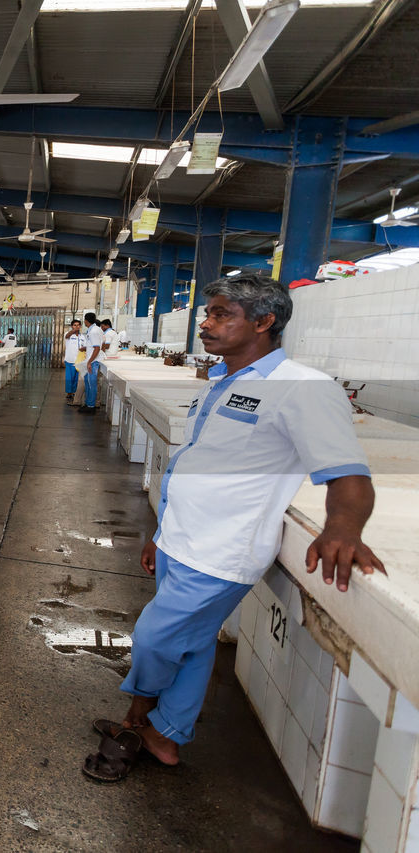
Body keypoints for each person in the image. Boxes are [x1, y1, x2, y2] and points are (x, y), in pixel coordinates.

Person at [84, 273, 383, 780]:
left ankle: (138, 716)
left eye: (222, 314)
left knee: (155, 639)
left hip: (222, 553)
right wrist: (161, 532)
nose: (206, 324)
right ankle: (166, 739)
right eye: (209, 313)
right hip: (182, 540)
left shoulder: (302, 389)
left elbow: (348, 474)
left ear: (264, 322)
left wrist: (344, 529)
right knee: (194, 644)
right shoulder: (223, 381)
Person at [79, 312, 104, 413]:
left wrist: (89, 362)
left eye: (84, 319)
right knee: (87, 382)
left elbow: (97, 348)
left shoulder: (94, 331)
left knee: (91, 384)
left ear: (86, 320)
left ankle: (91, 406)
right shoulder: (94, 330)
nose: (84, 321)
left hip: (93, 362)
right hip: (90, 360)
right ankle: (88, 403)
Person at [63, 319, 83, 401]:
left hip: (79, 361)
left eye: (78, 325)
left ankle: (74, 392)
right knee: (69, 378)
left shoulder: (82, 337)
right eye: (74, 325)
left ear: (80, 326)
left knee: (76, 378)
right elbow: (67, 336)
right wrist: (73, 331)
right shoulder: (68, 335)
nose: (76, 327)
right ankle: (69, 393)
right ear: (71, 326)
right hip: (70, 360)